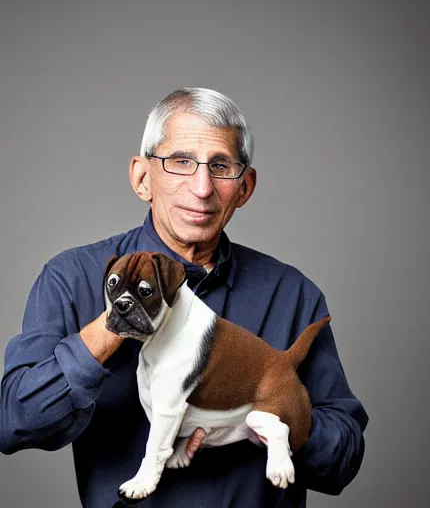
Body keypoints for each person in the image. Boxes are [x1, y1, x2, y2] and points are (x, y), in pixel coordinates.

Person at [0, 88, 368, 507]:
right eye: (180, 162)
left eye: (221, 166)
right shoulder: (73, 278)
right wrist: (119, 321)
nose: (202, 186)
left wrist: (269, 410)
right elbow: (15, 423)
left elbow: (344, 461)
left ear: (244, 187)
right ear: (142, 177)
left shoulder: (293, 295)